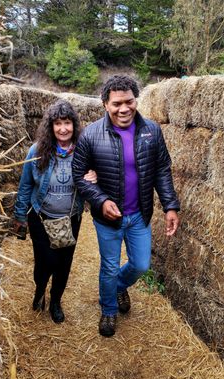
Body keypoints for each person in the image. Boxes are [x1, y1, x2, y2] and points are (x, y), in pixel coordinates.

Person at [72, 75, 180, 337]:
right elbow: (79, 175)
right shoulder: (91, 135)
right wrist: (101, 200)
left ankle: (117, 286)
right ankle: (108, 309)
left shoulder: (151, 131)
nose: (124, 109)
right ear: (105, 105)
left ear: (136, 100)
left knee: (141, 265)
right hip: (107, 219)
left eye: (129, 102)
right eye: (117, 103)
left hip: (139, 215)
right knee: (109, 265)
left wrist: (170, 206)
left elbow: (162, 171)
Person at [13, 100, 96, 323]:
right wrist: (20, 216)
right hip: (40, 217)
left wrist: (94, 177)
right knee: (45, 262)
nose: (62, 129)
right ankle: (40, 289)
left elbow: (96, 179)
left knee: (63, 263)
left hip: (70, 218)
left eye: (67, 123)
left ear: (74, 125)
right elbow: (25, 186)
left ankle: (56, 301)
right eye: (57, 123)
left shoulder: (83, 151)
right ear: (50, 127)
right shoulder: (37, 151)